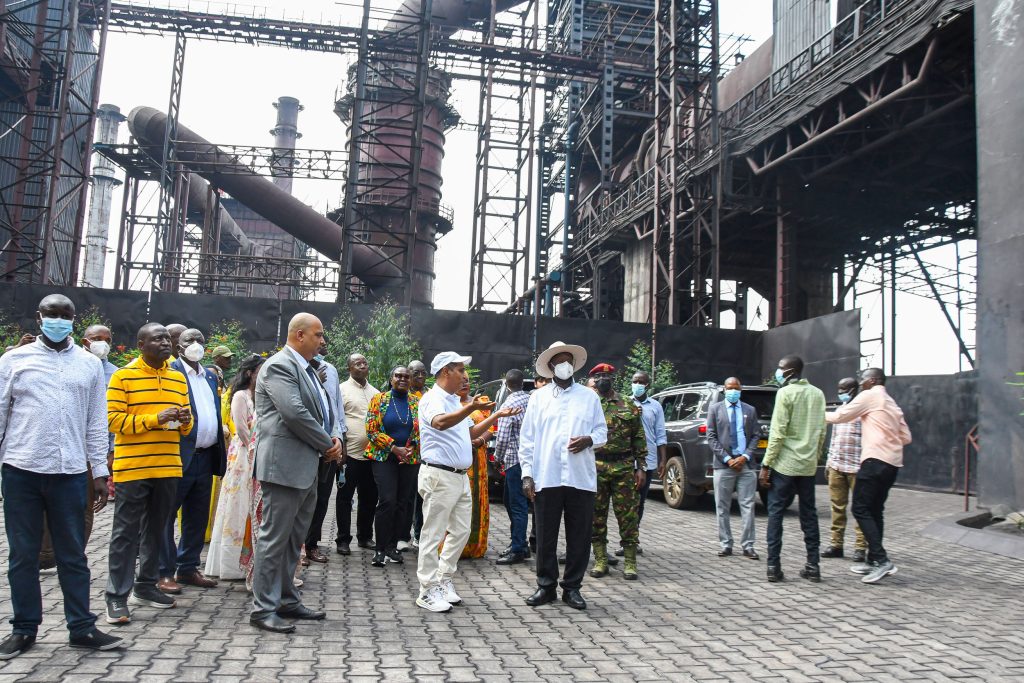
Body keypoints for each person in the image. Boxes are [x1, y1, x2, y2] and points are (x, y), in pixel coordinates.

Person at [0, 295, 122, 659]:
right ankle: (24, 629)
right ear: (39, 318)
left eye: (65, 315)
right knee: (22, 555)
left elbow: (95, 423)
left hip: (70, 473)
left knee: (73, 555)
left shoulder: (88, 365)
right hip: (21, 469)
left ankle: (81, 628)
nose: (58, 320)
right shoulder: (13, 361)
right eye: (51, 314)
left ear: (73, 320)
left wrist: (99, 471)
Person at [249, 313, 343, 633]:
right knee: (274, 540)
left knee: (293, 541)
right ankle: (263, 609)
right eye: (318, 335)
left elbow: (320, 410)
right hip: (284, 467)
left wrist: (334, 437)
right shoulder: (279, 365)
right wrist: (326, 444)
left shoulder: (307, 369)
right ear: (299, 335)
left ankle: (287, 600)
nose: (322, 341)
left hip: (305, 466)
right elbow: (295, 414)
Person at [105, 323, 193, 625]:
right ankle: (116, 596)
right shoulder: (123, 376)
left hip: (168, 466)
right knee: (125, 534)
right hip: (133, 468)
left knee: (158, 530)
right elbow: (114, 420)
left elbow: (186, 427)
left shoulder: (178, 379)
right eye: (158, 339)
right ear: (141, 344)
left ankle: (145, 587)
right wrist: (155, 419)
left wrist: (184, 420)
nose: (166, 343)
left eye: (167, 339)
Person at [415, 352, 513, 612]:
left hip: (458, 477)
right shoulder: (432, 399)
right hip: (439, 475)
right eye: (460, 370)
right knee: (433, 533)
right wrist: (471, 407)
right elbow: (439, 423)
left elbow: (469, 431)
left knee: (460, 531)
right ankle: (426, 590)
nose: (464, 375)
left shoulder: (451, 400)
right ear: (446, 371)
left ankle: (443, 580)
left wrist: (496, 416)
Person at [520, 342, 607, 611]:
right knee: (545, 535)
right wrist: (527, 475)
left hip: (580, 478)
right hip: (547, 476)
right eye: (559, 360)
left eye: (568, 359)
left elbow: (603, 432)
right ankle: (546, 587)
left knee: (579, 536)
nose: (564, 364)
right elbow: (527, 440)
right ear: (551, 366)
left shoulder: (589, 397)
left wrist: (589, 439)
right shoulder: (538, 397)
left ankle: (572, 588)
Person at [38, 324, 118, 571]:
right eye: (96, 338)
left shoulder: (116, 373)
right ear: (85, 340)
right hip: (54, 449)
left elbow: (106, 419)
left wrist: (108, 454)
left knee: (85, 507)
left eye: (106, 339)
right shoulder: (69, 365)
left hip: (90, 453)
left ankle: (74, 557)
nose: (101, 343)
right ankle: (45, 554)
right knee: (47, 507)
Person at [827, 368, 912, 584]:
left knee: (860, 509)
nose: (861, 383)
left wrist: (812, 413)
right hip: (892, 463)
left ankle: (883, 561)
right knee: (875, 511)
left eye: (863, 379)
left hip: (873, 461)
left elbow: (840, 416)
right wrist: (887, 440)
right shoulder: (891, 402)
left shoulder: (870, 395)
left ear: (872, 380)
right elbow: (906, 436)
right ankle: (874, 560)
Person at [160, 329, 227, 593]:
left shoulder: (209, 376)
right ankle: (164, 571)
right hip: (179, 455)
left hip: (205, 455)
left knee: (197, 517)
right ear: (179, 346)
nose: (196, 345)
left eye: (200, 340)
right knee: (165, 517)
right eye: (190, 341)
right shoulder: (171, 373)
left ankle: (187, 567)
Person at [758, 355, 826, 583]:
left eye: (780, 368)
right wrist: (813, 459)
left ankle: (773, 566)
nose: (777, 371)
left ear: (789, 372)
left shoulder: (785, 393)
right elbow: (821, 432)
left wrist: (766, 464)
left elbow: (777, 433)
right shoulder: (818, 394)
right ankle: (813, 565)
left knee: (776, 513)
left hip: (785, 464)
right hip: (807, 466)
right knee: (809, 514)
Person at [205, 355, 264, 580]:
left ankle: (251, 559)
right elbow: (241, 428)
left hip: (257, 453)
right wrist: (254, 452)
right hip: (243, 456)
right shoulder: (240, 395)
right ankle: (231, 564)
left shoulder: (260, 395)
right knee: (238, 504)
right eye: (260, 371)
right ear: (250, 373)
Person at [587, 363, 645, 580]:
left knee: (627, 516)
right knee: (596, 516)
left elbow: (639, 437)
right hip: (596, 466)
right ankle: (601, 560)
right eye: (599, 375)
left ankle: (630, 562)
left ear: (614, 379)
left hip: (624, 467)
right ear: (593, 379)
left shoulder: (628, 405)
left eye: (607, 376)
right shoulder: (589, 405)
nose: (603, 379)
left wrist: (642, 468)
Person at [365, 366, 421, 567]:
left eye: (407, 376)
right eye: (398, 375)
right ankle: (380, 549)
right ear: (391, 378)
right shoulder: (378, 400)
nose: (403, 379)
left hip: (409, 458)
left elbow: (422, 428)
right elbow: (371, 430)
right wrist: (393, 447)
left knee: (403, 503)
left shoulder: (417, 402)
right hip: (384, 457)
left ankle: (392, 547)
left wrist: (409, 448)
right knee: (387, 501)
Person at [707, 377, 761, 560]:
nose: (733, 390)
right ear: (724, 389)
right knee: (722, 506)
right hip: (724, 465)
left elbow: (755, 436)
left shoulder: (750, 410)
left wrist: (745, 456)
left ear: (740, 389)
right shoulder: (715, 409)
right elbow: (711, 437)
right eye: (729, 387)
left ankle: (748, 545)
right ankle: (726, 544)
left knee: (748, 506)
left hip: (746, 465)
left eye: (736, 388)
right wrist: (728, 459)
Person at [305, 338, 347, 564]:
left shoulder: (330, 370)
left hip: (329, 445)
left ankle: (311, 545)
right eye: (318, 342)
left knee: (321, 499)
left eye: (324, 344)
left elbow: (337, 407)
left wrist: (341, 441)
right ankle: (297, 547)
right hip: (304, 445)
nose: (322, 347)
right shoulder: (296, 369)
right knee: (301, 498)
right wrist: (314, 382)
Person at [456, 383, 508, 559]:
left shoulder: (482, 403)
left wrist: (479, 441)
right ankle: (453, 546)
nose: (464, 383)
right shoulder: (447, 404)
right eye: (461, 379)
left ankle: (473, 546)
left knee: (475, 499)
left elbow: (490, 429)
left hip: (477, 459)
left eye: (467, 380)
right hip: (455, 459)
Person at [821, 377, 867, 563]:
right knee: (837, 507)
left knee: (859, 509)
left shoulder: (864, 412)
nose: (841, 392)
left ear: (854, 389)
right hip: (836, 466)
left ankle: (860, 547)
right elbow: (834, 439)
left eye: (844, 389)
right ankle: (836, 545)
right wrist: (829, 463)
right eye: (839, 389)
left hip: (857, 468)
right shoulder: (839, 411)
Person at [336, 353, 379, 555]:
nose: (362, 365)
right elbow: (337, 421)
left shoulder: (376, 393)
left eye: (364, 362)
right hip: (349, 455)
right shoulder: (341, 390)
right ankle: (343, 540)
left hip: (372, 455)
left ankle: (365, 537)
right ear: (349, 368)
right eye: (357, 363)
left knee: (369, 498)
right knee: (345, 498)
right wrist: (341, 450)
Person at [494, 370, 532, 566]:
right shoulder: (531, 400)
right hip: (528, 459)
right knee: (511, 502)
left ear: (506, 384)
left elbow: (502, 436)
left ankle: (518, 548)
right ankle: (520, 543)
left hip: (514, 460)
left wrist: (497, 457)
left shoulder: (509, 404)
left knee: (516, 505)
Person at [627, 371, 667, 556]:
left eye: (641, 382)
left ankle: (633, 539)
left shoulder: (656, 406)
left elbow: (660, 434)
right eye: (635, 381)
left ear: (647, 385)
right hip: (626, 460)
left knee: (639, 502)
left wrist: (663, 460)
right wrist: (633, 414)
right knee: (626, 503)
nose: (637, 384)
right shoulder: (624, 403)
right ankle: (625, 540)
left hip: (648, 461)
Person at [407, 359, 428, 549]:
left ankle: (420, 534)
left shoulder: (430, 395)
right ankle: (403, 533)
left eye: (423, 373)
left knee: (423, 497)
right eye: (416, 373)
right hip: (407, 454)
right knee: (408, 496)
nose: (420, 377)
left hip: (428, 455)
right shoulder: (403, 394)